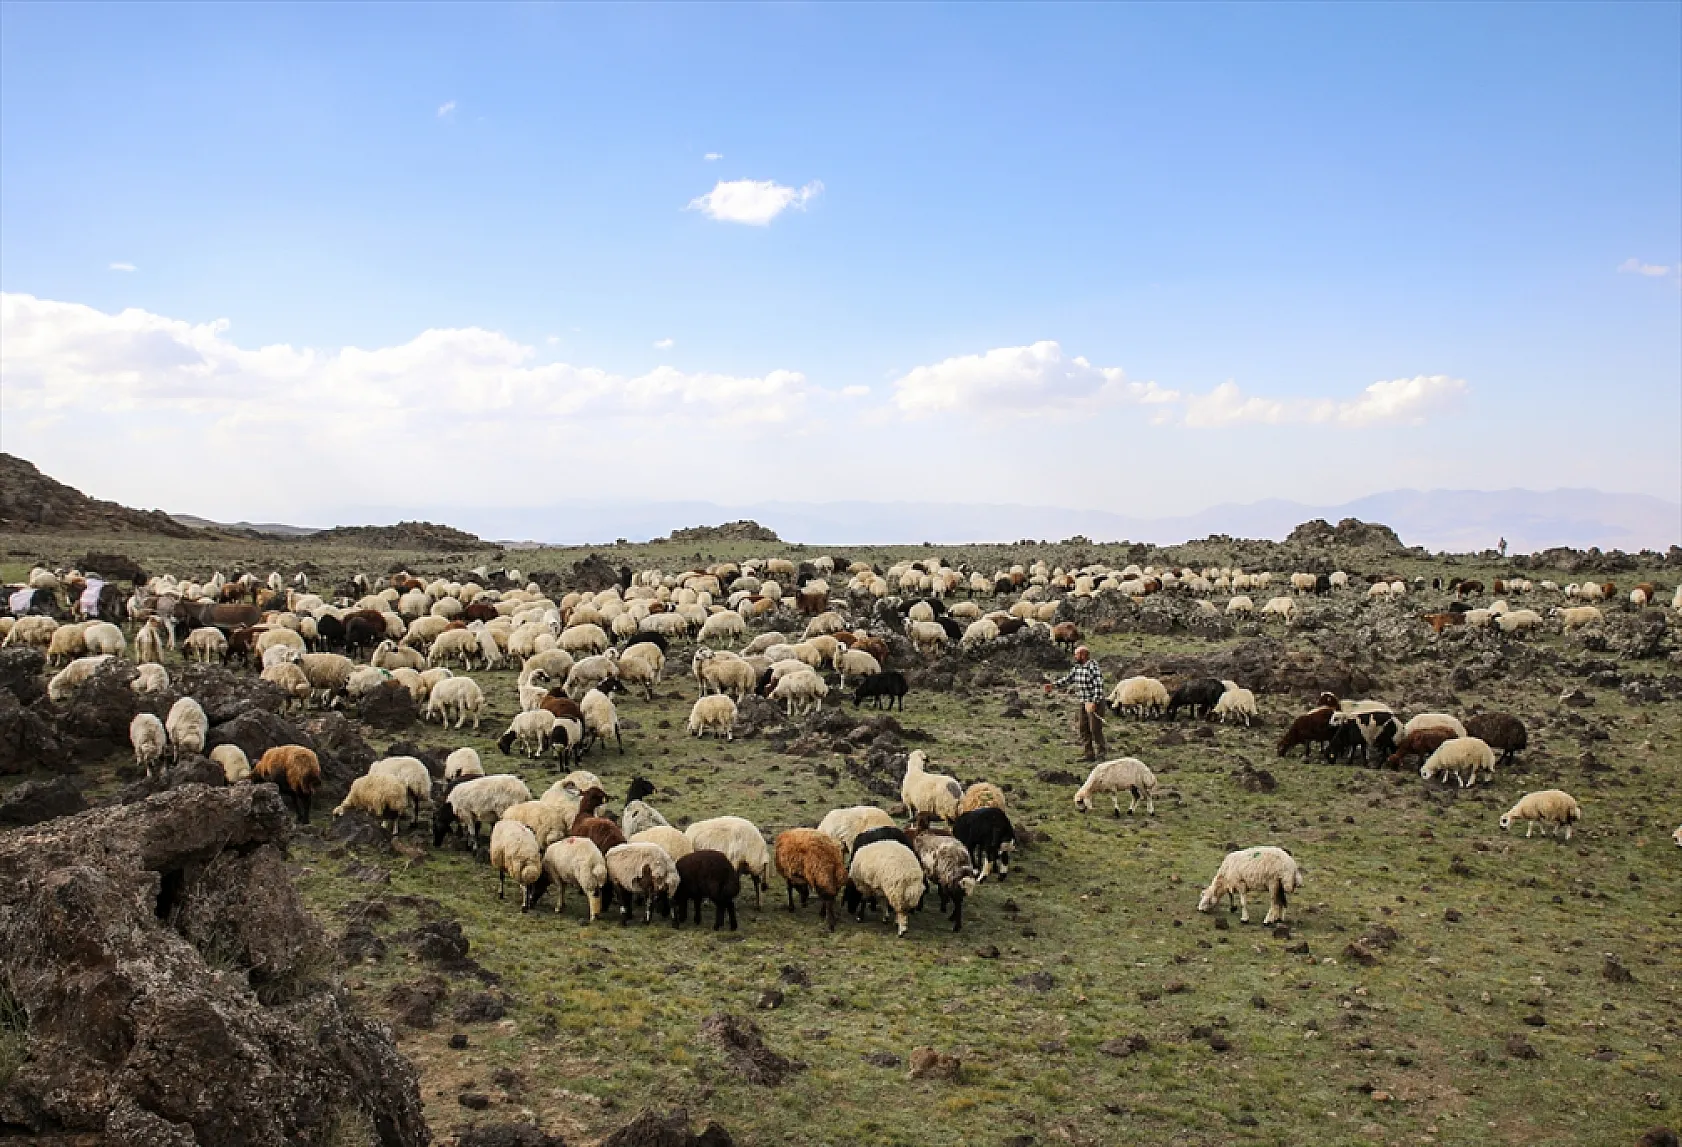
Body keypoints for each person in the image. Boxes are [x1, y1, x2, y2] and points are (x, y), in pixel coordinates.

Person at [1044, 645, 1106, 762]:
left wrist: (1094, 702)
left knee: (1095, 728)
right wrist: (1053, 685)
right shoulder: (1077, 668)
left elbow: (1099, 685)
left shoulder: (1093, 667)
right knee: (1083, 728)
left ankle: (1101, 752)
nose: (1074, 656)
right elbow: (1068, 679)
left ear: (1083, 655)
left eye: (1076, 654)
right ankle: (1088, 754)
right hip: (1083, 702)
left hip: (1094, 703)